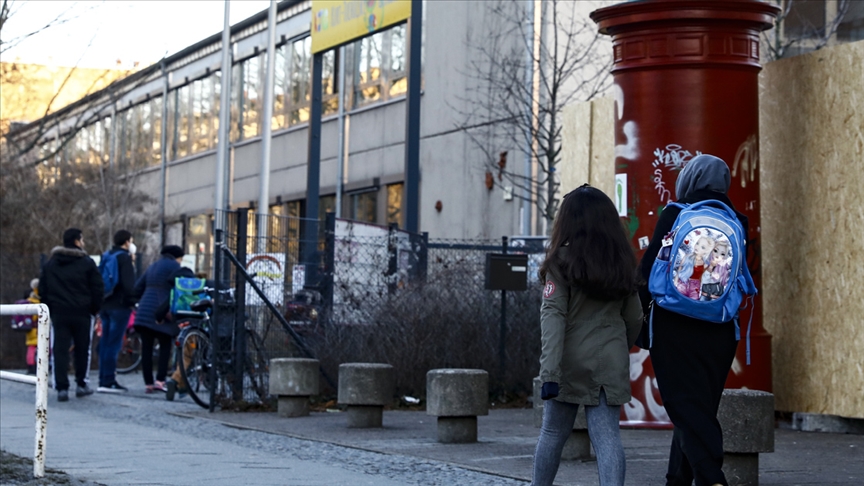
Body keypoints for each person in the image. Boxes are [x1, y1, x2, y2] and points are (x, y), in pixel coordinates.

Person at [638, 154, 747, 486]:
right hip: (720, 330)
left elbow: (646, 271)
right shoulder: (737, 221)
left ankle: (713, 478)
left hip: (674, 328)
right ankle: (678, 480)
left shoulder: (674, 214)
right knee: (696, 410)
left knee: (685, 409)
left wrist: (639, 324)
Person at [532, 184, 643, 486]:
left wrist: (549, 373)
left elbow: (553, 318)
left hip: (567, 361)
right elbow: (634, 317)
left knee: (553, 434)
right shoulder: (621, 263)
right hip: (610, 360)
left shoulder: (560, 263)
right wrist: (619, 348)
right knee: (607, 440)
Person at [39, 228, 103, 402]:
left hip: (59, 313)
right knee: (83, 349)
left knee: (60, 349)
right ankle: (81, 383)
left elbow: (43, 289)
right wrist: (94, 308)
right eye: (81, 239)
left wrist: (49, 308)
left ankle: (61, 387)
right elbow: (97, 287)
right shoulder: (87, 263)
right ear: (77, 241)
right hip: (82, 312)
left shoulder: (51, 264)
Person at [132, 245, 183, 393]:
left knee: (146, 348)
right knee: (165, 345)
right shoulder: (174, 266)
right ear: (177, 257)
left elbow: (137, 288)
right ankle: (160, 380)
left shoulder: (152, 266)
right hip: (161, 311)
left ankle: (148, 383)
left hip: (144, 311)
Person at [97, 230, 137, 393]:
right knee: (114, 344)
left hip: (105, 304)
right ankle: (109, 380)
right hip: (120, 306)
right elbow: (128, 285)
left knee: (105, 343)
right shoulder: (124, 257)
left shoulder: (106, 255)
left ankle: (102, 378)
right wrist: (132, 302)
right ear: (127, 242)